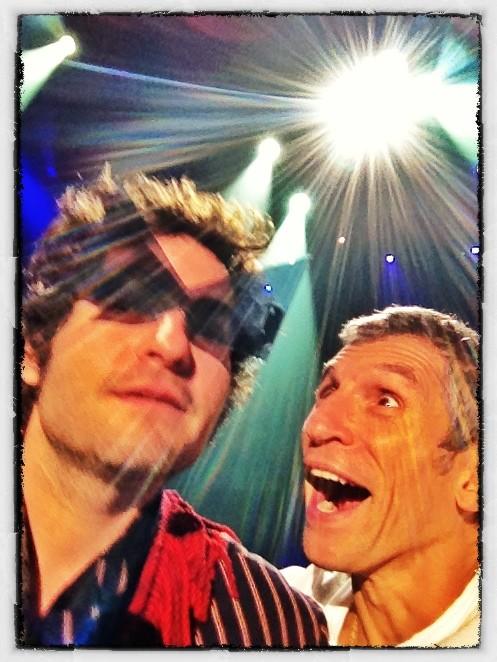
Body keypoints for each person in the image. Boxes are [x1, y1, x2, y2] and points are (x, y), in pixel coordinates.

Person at [18, 165, 328, 648]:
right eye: (131, 298)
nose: (173, 344)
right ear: (33, 352)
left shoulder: (276, 628)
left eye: (210, 324)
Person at [283, 305, 480, 647]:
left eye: (386, 401)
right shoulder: (269, 612)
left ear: (473, 479)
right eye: (328, 391)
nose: (317, 426)